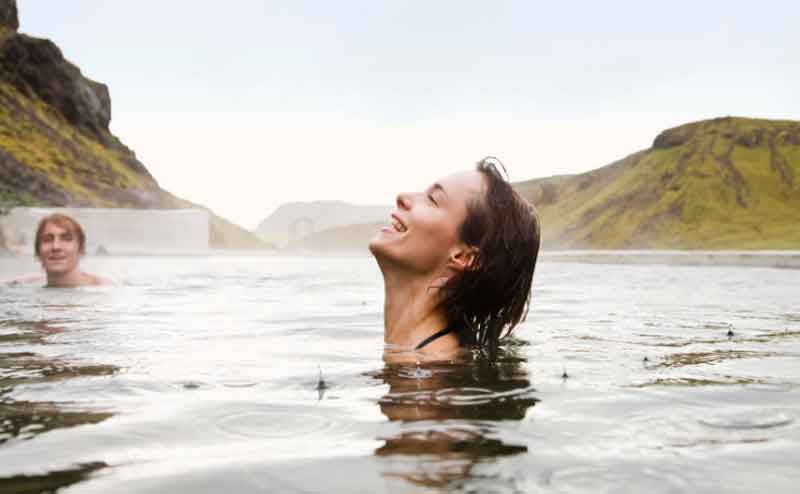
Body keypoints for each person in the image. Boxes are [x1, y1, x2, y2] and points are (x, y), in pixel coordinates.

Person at [369, 157, 540, 361]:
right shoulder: (421, 358)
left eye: (432, 199)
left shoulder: (427, 372)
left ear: (464, 256)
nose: (402, 197)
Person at [1, 213, 110, 287]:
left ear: (81, 248)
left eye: (66, 239)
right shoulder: (23, 283)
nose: (56, 247)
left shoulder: (105, 288)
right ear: (38, 251)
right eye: (47, 240)